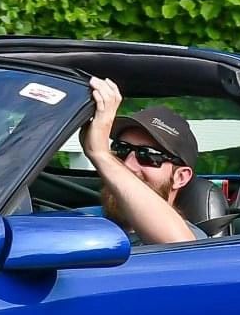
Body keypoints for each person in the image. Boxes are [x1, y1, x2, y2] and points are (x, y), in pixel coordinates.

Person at [80, 77, 200, 244]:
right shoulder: (84, 220)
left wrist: (101, 154)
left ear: (180, 177)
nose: (128, 164)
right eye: (122, 149)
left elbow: (182, 248)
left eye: (147, 155)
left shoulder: (195, 239)